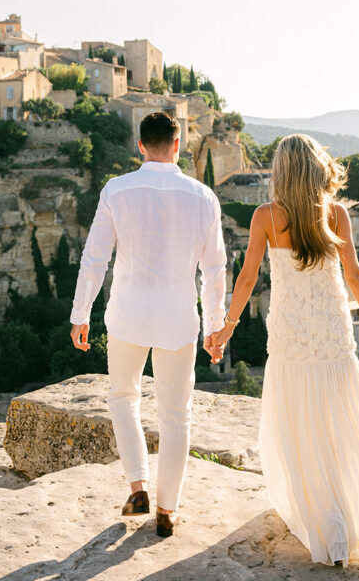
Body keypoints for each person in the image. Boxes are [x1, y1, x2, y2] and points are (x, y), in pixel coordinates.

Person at [211, 133, 359, 568]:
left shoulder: (265, 216)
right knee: (341, 422)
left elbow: (246, 279)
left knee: (298, 422)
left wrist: (227, 327)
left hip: (290, 335)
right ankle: (341, 520)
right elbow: (355, 276)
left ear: (281, 172)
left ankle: (321, 519)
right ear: (316, 167)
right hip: (331, 333)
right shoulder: (335, 214)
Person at [70, 111, 226, 538]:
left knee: (123, 398)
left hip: (128, 315)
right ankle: (166, 511)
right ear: (177, 146)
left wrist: (80, 313)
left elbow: (94, 257)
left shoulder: (116, 191)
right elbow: (215, 270)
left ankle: (137, 487)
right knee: (177, 415)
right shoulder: (203, 196)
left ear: (140, 145)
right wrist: (216, 326)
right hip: (178, 318)